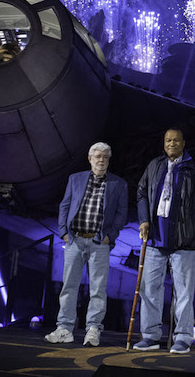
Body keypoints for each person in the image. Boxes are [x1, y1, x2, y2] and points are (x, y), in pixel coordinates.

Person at [134, 128, 195, 354]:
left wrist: (191, 228)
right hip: (155, 239)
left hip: (182, 242)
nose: (172, 143)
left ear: (183, 143)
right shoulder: (154, 165)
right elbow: (140, 192)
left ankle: (183, 338)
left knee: (184, 291)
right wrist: (144, 220)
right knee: (149, 289)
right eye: (168, 140)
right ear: (164, 143)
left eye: (176, 140)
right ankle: (150, 336)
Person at [45, 142, 128, 347]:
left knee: (98, 289)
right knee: (69, 286)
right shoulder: (75, 179)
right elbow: (65, 205)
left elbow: (121, 214)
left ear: (108, 160)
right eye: (97, 156)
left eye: (105, 157)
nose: (101, 160)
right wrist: (64, 232)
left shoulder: (119, 184)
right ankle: (64, 328)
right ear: (90, 159)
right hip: (75, 240)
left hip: (100, 243)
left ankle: (93, 330)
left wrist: (111, 235)